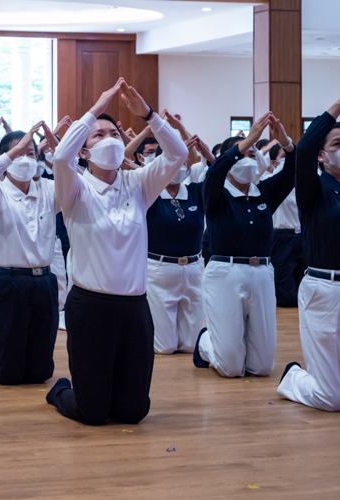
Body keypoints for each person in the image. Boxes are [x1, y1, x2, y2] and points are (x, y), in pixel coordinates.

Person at [46, 79, 188, 425]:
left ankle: (101, 390)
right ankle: (62, 390)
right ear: (84, 148)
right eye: (98, 134)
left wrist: (149, 115)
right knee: (92, 413)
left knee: (133, 412)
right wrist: (95, 108)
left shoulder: (139, 185)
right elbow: (62, 155)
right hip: (91, 306)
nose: (108, 139)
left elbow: (179, 154)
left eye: (114, 134)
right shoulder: (75, 189)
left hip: (135, 307)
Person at [193, 112, 295, 378]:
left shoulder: (265, 191)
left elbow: (295, 169)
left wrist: (285, 142)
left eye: (253, 155)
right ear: (229, 162)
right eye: (243, 155)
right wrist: (248, 139)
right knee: (231, 368)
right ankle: (206, 342)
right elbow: (214, 170)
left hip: (262, 273)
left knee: (261, 368)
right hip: (224, 273)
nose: (248, 161)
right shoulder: (216, 192)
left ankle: (228, 342)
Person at [0, 114, 60, 385]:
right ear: (4, 160)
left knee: (40, 372)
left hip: (43, 281)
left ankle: (3, 356)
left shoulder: (48, 189)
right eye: (18, 153)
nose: (25, 158)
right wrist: (14, 151)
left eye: (30, 152)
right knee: (7, 373)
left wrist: (58, 151)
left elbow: (81, 182)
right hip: (5, 282)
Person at [277, 98, 340, 411]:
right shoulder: (315, 189)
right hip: (324, 290)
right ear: (322, 154)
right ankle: (293, 377)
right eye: (338, 143)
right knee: (331, 399)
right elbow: (301, 150)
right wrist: (337, 106)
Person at [146, 135, 206, 354]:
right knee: (165, 347)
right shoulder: (150, 194)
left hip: (193, 268)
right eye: (173, 163)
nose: (179, 168)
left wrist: (205, 152)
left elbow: (219, 175)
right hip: (159, 270)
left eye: (182, 164)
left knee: (191, 346)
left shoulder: (195, 192)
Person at [260, 143, 305, 307]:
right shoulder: (267, 183)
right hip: (281, 236)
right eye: (285, 157)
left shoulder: (303, 180)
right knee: (287, 295)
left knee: (304, 282)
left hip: (302, 234)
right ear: (273, 162)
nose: (291, 161)